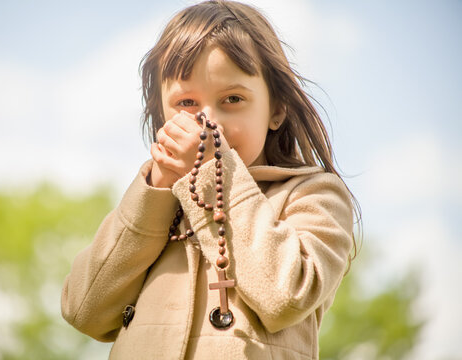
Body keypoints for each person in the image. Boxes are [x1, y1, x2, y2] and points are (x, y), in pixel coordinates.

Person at [61, 1, 359, 359]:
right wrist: (155, 189)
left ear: (276, 109)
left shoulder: (314, 196)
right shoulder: (158, 203)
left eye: (233, 99)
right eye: (186, 103)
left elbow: (285, 295)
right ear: (161, 117)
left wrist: (213, 172)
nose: (208, 123)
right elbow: (84, 311)